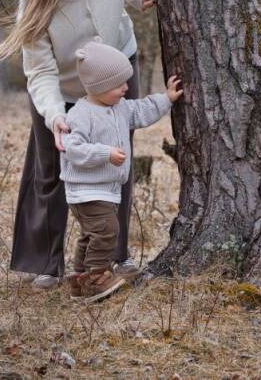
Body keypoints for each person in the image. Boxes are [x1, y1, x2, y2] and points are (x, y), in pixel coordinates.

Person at [0, 0, 157, 290]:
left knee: (116, 159)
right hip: (59, 89)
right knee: (51, 170)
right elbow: (40, 73)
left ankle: (113, 255)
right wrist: (54, 116)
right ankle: (47, 263)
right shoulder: (35, 4)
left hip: (116, 68)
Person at [62, 41, 183, 303]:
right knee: (106, 230)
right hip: (85, 191)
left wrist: (167, 99)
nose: (126, 88)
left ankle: (80, 279)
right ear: (99, 86)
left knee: (91, 235)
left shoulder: (120, 108)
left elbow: (142, 110)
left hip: (105, 189)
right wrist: (104, 153)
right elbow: (73, 149)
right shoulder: (81, 114)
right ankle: (96, 277)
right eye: (119, 85)